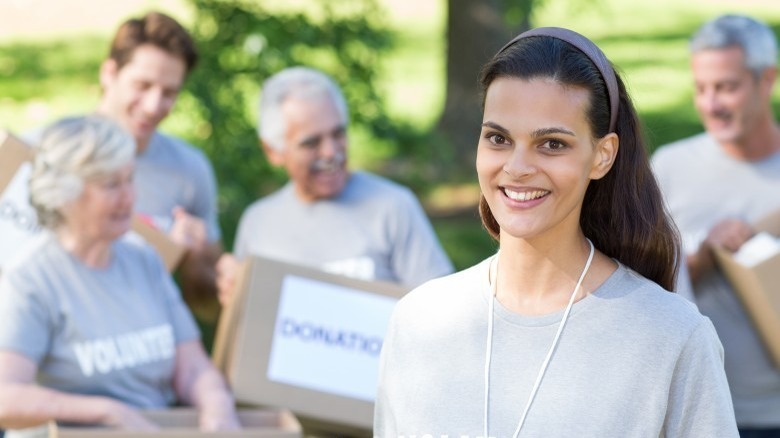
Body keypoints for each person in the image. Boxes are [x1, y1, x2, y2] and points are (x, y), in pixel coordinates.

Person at [374, 27, 738, 437]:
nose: (517, 166)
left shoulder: (672, 338)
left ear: (603, 156)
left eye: (551, 144)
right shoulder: (419, 321)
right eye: (498, 138)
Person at [0, 116, 239, 437]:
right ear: (64, 194)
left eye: (130, 179)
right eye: (112, 185)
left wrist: (217, 406)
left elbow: (193, 367)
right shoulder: (31, 280)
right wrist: (105, 411)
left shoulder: (144, 259)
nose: (130, 197)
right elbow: (6, 398)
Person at [216, 67, 453, 301]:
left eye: (338, 134)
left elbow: (441, 308)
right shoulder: (258, 223)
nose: (330, 152)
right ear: (273, 151)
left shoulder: (393, 207)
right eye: (311, 143)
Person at [651, 14, 780, 436]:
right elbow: (640, 286)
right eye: (701, 89)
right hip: (699, 411)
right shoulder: (669, 167)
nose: (712, 104)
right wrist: (706, 252)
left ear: (767, 80)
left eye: (726, 87)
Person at [95, 11, 222, 326]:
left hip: (139, 350)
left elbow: (210, 307)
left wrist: (194, 261)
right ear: (109, 73)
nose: (153, 106)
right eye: (142, 85)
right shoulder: (41, 151)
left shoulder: (190, 170)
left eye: (169, 93)